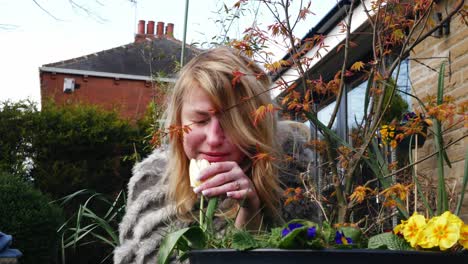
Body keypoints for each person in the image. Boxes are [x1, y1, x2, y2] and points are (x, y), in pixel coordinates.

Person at [114, 47, 316, 264]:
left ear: (256, 128)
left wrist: (249, 213)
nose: (214, 138)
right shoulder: (153, 184)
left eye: (232, 123)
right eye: (200, 121)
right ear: (178, 123)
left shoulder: (291, 180)